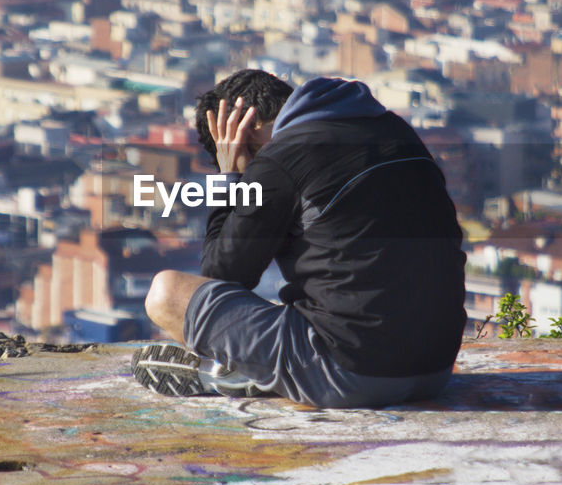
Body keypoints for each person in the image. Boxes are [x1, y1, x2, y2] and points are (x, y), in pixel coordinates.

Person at [131, 70, 466, 408]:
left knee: (167, 294)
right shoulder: (397, 132)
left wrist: (230, 177)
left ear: (240, 134)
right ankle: (259, 372)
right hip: (435, 370)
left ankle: (237, 373)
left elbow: (221, 275)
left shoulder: (281, 157)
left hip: (351, 374)